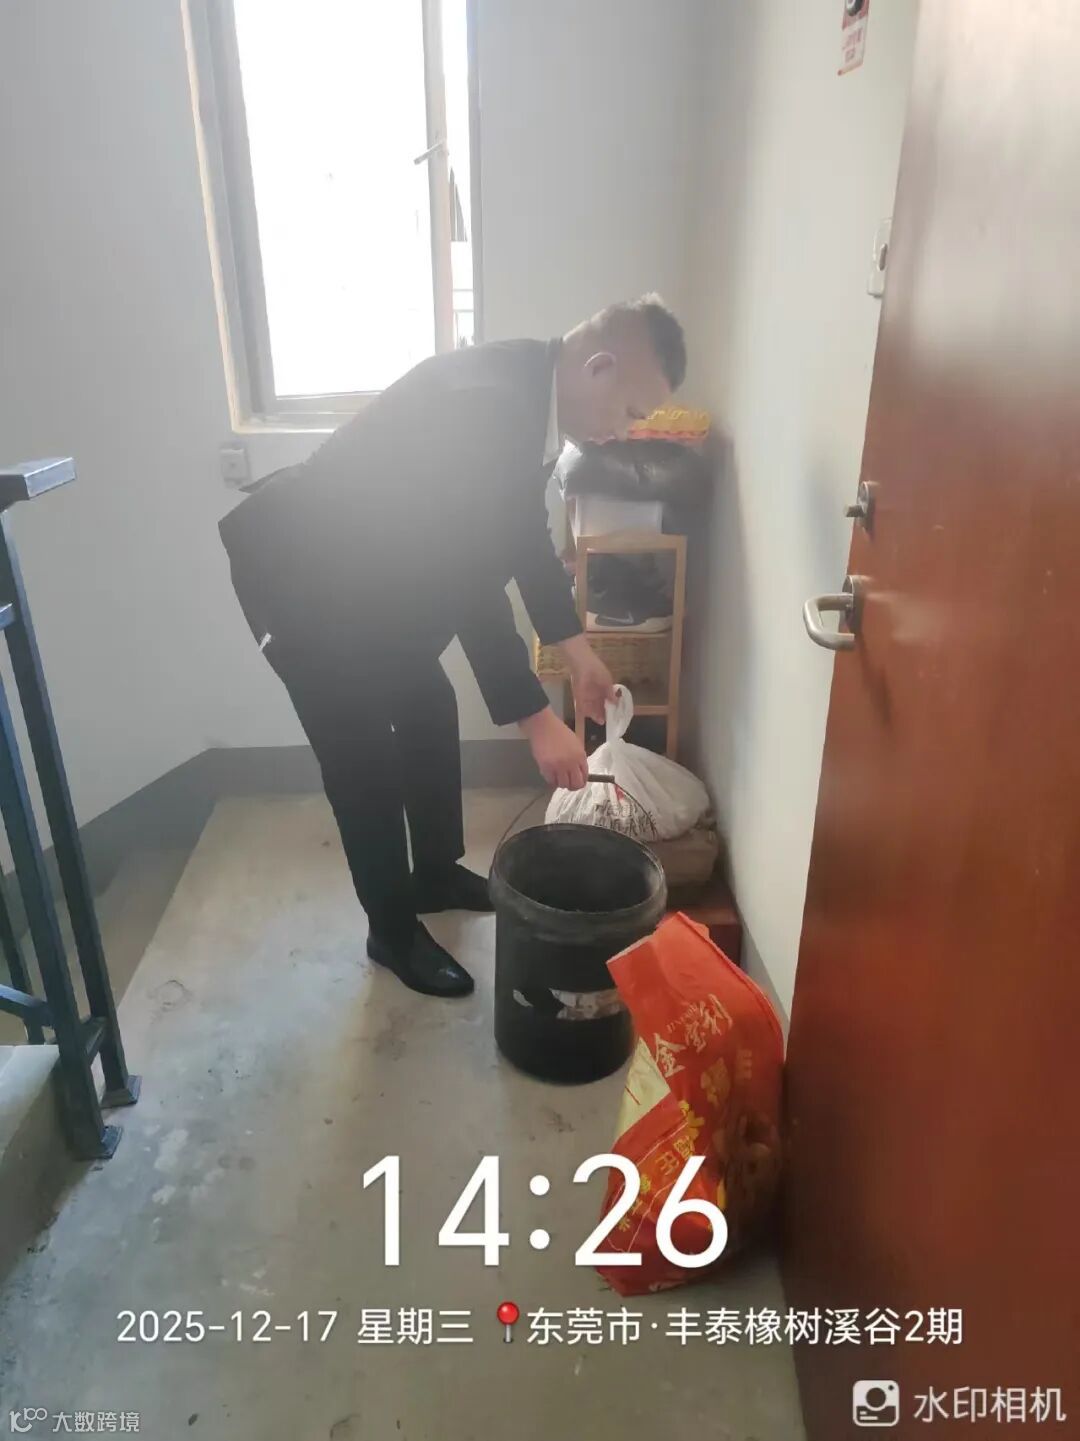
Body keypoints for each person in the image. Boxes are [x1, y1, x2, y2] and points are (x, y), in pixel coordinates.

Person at [219, 295, 687, 998]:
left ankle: (434, 872)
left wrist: (580, 655)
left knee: (428, 703)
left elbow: (520, 537)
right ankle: (391, 931)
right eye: (629, 411)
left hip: (369, 576)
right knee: (363, 757)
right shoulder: (487, 405)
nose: (625, 431)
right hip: (300, 579)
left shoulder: (531, 403)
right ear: (598, 368)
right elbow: (470, 580)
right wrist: (537, 718)